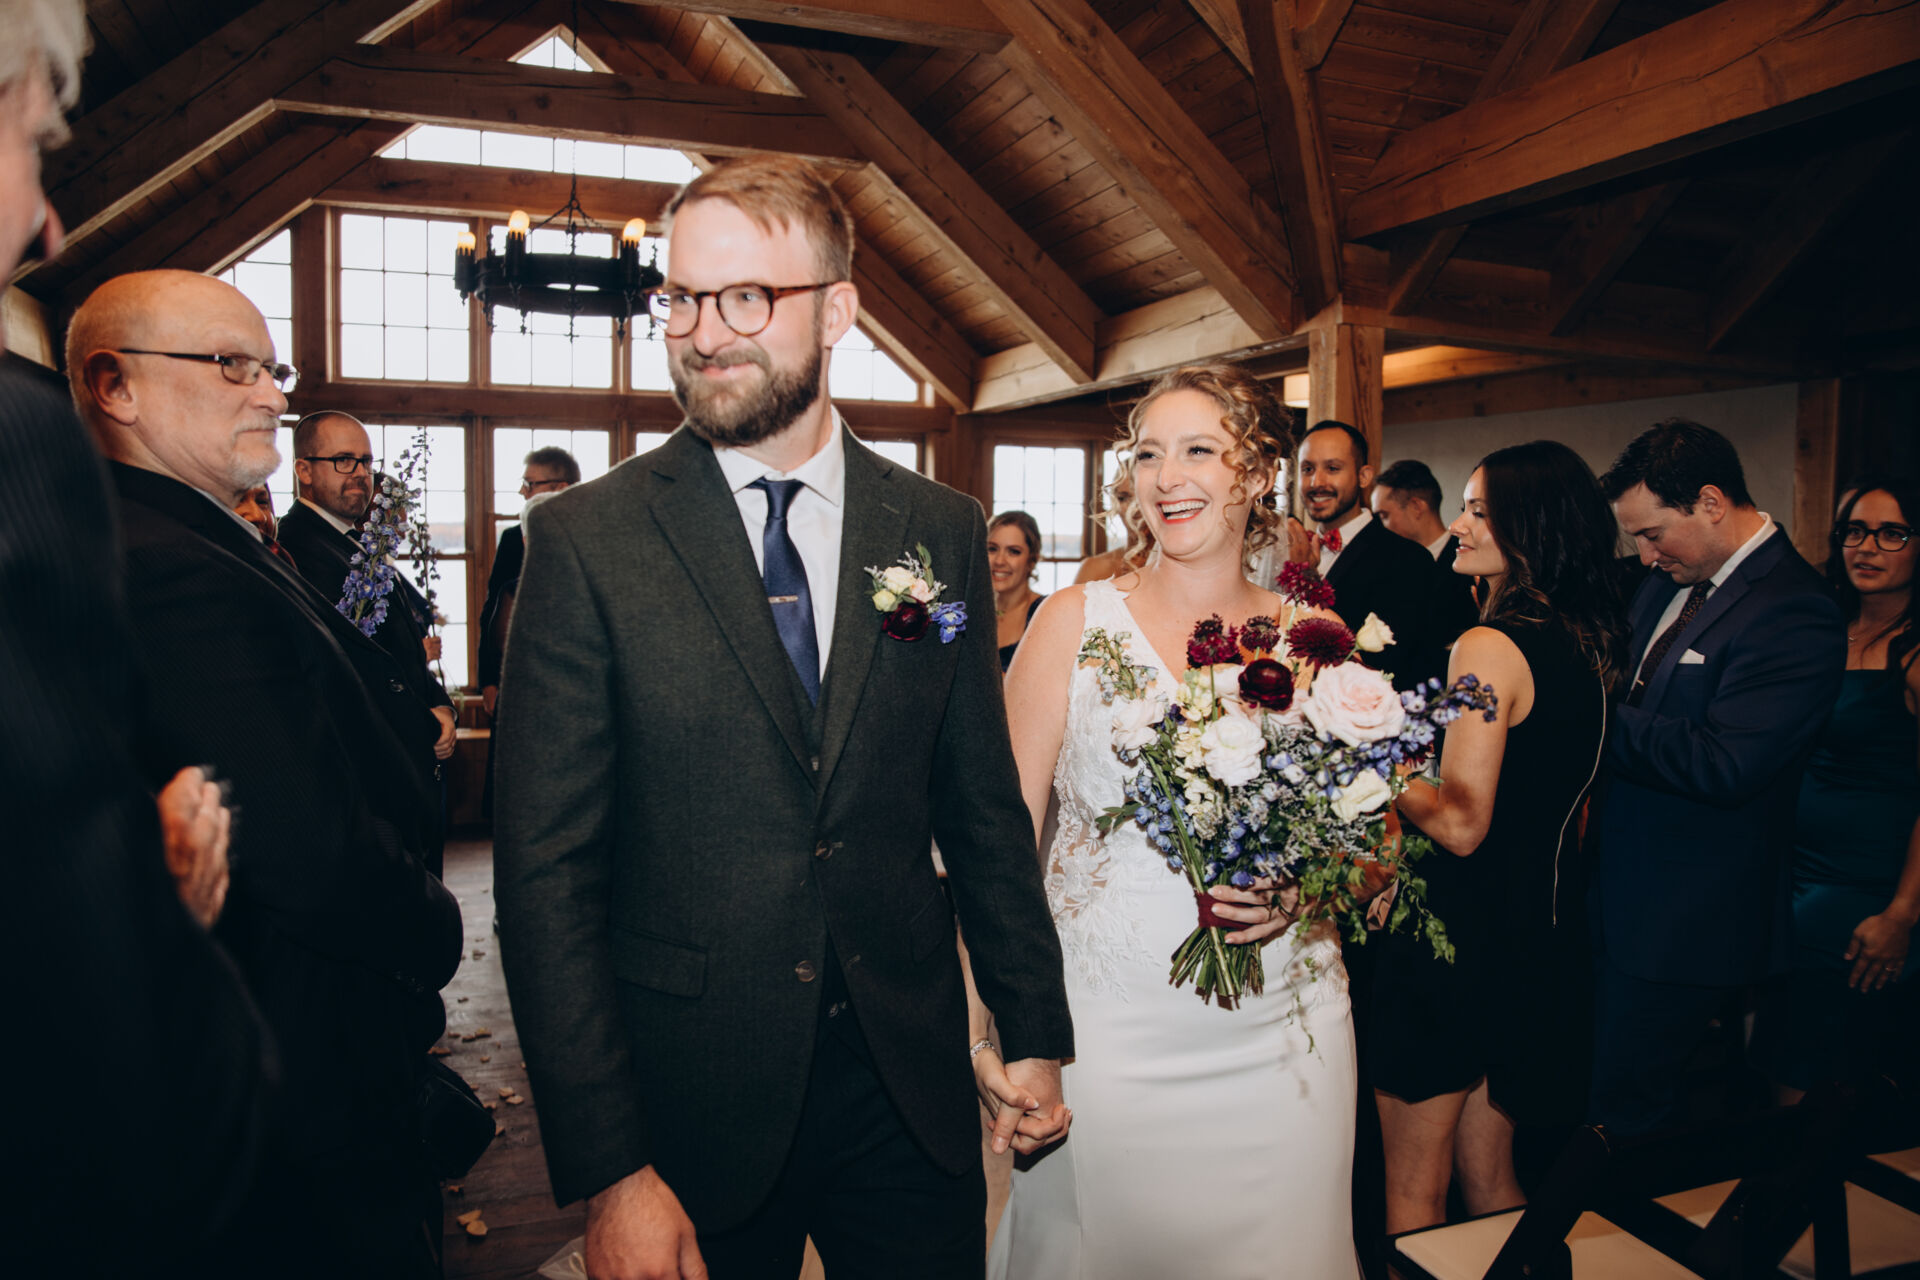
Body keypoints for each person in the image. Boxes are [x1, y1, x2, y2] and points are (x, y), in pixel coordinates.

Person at [492, 154, 1072, 1280]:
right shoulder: (586, 542)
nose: (703, 335)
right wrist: (612, 1169)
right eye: (681, 298)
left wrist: (1033, 1028)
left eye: (746, 297)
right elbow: (545, 878)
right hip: (691, 1101)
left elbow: (980, 803)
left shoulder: (936, 531)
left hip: (906, 1086)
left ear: (838, 310)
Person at [67, 268, 463, 1277]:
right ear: (114, 385)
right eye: (231, 366)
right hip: (297, 1068)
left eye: (271, 370)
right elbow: (305, 850)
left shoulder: (200, 532)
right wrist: (437, 923)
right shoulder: (162, 564)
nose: (270, 396)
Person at [986, 362, 1359, 1280]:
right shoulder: (1072, 624)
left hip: (1289, 1028)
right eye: (1149, 454)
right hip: (1109, 1028)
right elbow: (994, 846)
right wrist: (994, 1033)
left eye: (1199, 450)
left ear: (1256, 472)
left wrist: (1308, 888)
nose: (1167, 477)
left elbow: (1369, 839)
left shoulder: (1312, 639)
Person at [2, 5, 272, 1266]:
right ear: (110, 387)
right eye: (31, 143)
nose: (47, 224)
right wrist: (152, 907)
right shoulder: (25, 456)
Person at [1371, 441, 1622, 1234]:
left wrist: (1369, 754)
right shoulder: (1585, 640)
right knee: (1492, 1179)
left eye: (1480, 510)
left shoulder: (1488, 646)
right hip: (1535, 936)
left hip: (1452, 941)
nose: (1459, 525)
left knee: (1415, 1192)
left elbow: (1460, 822)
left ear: (1529, 525)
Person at [1591, 419, 1846, 1136]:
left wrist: (1588, 715)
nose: (1645, 556)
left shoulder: (1795, 608)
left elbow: (1727, 762)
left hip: (1687, 913)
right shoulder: (1669, 580)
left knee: (1628, 1114)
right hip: (1616, 890)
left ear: (1709, 502)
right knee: (1592, 1091)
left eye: (1652, 534)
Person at [1753, 478, 1920, 1096]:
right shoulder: (1825, 632)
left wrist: (1901, 914)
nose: (1867, 547)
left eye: (1892, 533)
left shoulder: (1915, 655)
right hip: (1793, 874)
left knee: (1814, 1070)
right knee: (1776, 1055)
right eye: (1855, 531)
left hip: (1864, 891)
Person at [279, 412, 455, 765]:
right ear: (304, 470)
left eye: (366, 461)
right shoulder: (296, 545)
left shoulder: (358, 542)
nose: (360, 472)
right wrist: (424, 723)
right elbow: (352, 669)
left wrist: (442, 705)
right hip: (368, 756)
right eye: (343, 460)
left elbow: (403, 648)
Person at [1294, 422, 1443, 690]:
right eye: (1308, 469)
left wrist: (1306, 581)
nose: (1317, 482)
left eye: (1332, 468)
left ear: (1364, 477)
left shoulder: (1408, 559)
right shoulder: (1290, 551)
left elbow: (1393, 664)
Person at [478, 445, 578, 717]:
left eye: (530, 484)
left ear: (561, 487)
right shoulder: (513, 539)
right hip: (517, 680)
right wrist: (488, 680)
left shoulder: (593, 538)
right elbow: (492, 609)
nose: (523, 491)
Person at [1373, 457, 1479, 645]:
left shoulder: (1471, 566)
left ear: (1416, 507)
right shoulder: (1385, 566)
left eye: (1384, 516)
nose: (1379, 527)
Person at [990, 508, 1046, 671]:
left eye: (1013, 552)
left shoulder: (1044, 612)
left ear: (1032, 560)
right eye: (992, 549)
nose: (999, 561)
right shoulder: (968, 611)